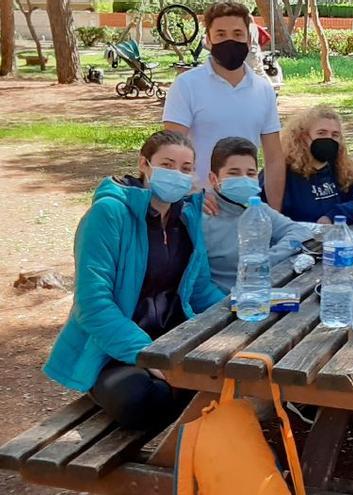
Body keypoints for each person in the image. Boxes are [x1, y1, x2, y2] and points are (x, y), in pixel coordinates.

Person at [43, 131, 225, 430]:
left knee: (237, 369)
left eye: (185, 168)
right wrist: (149, 356)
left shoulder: (187, 216)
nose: (176, 175)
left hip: (171, 338)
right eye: (167, 164)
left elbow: (201, 288)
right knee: (141, 400)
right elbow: (92, 304)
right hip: (114, 349)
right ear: (144, 163)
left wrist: (235, 311)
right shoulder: (108, 214)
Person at [162, 1, 286, 211]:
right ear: (208, 40)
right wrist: (191, 199)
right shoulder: (186, 86)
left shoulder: (263, 89)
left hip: (246, 207)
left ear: (248, 39)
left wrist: (273, 213)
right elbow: (171, 152)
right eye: (221, 34)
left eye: (237, 33)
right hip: (198, 208)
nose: (230, 40)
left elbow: (274, 159)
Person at [202, 137, 313, 293]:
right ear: (214, 179)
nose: (244, 179)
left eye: (250, 173)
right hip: (222, 303)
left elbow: (300, 233)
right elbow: (197, 283)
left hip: (260, 293)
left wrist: (266, 259)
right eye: (234, 173)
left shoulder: (255, 208)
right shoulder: (202, 214)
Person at [272, 104, 353, 224]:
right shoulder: (281, 172)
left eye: (335, 135)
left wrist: (334, 216)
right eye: (321, 133)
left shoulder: (343, 170)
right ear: (303, 137)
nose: (329, 139)